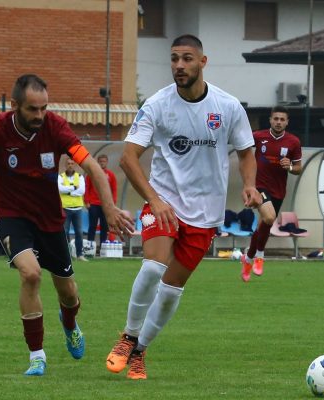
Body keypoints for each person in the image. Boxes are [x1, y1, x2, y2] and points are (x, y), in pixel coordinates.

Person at [0, 74, 133, 377]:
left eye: (44, 108)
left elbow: (92, 167)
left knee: (68, 292)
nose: (40, 115)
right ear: (16, 105)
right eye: (33, 109)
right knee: (30, 274)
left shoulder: (56, 127)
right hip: (11, 215)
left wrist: (109, 209)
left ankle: (69, 323)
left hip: (49, 219)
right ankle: (37, 355)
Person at [105, 34, 261, 380]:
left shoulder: (228, 106)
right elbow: (129, 158)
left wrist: (249, 185)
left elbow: (247, 151)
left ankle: (140, 352)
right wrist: (155, 200)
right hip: (164, 204)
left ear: (202, 63)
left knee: (171, 291)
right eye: (174, 58)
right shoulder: (157, 105)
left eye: (187, 58)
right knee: (151, 269)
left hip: (205, 216)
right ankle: (128, 337)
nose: (179, 65)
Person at [240, 106, 302, 282]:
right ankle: (260, 255)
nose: (278, 122)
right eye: (276, 119)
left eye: (282, 119)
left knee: (264, 225)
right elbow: (242, 148)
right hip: (259, 186)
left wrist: (289, 166)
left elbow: (298, 168)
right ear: (270, 120)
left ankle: (248, 258)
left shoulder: (293, 142)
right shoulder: (258, 136)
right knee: (268, 218)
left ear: (287, 122)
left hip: (278, 191)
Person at [84, 154, 117, 248]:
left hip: (105, 205)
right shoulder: (92, 174)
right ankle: (89, 248)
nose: (102, 163)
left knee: (104, 226)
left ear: (107, 162)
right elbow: (86, 187)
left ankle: (103, 247)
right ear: (97, 162)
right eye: (100, 161)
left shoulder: (111, 175)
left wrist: (113, 203)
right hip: (93, 204)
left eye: (104, 161)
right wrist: (87, 201)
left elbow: (114, 189)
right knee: (92, 226)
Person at [58, 158, 88, 262]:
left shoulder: (79, 177)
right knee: (65, 232)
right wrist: (74, 188)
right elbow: (60, 189)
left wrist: (68, 190)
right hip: (66, 208)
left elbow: (82, 191)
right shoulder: (60, 176)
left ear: (74, 165)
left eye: (72, 163)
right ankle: (67, 254)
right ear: (65, 165)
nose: (70, 165)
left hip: (78, 208)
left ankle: (80, 254)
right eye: (68, 164)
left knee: (79, 232)